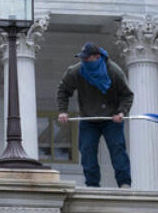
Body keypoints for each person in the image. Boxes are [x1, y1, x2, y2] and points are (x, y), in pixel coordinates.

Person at [57, 42, 135, 188]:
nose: (84, 61)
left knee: (117, 149)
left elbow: (127, 95)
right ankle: (92, 185)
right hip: (89, 119)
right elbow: (63, 90)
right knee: (87, 151)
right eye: (82, 58)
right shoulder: (76, 71)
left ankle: (124, 183)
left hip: (111, 119)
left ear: (97, 57)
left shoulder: (113, 71)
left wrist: (122, 112)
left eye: (87, 58)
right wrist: (63, 111)